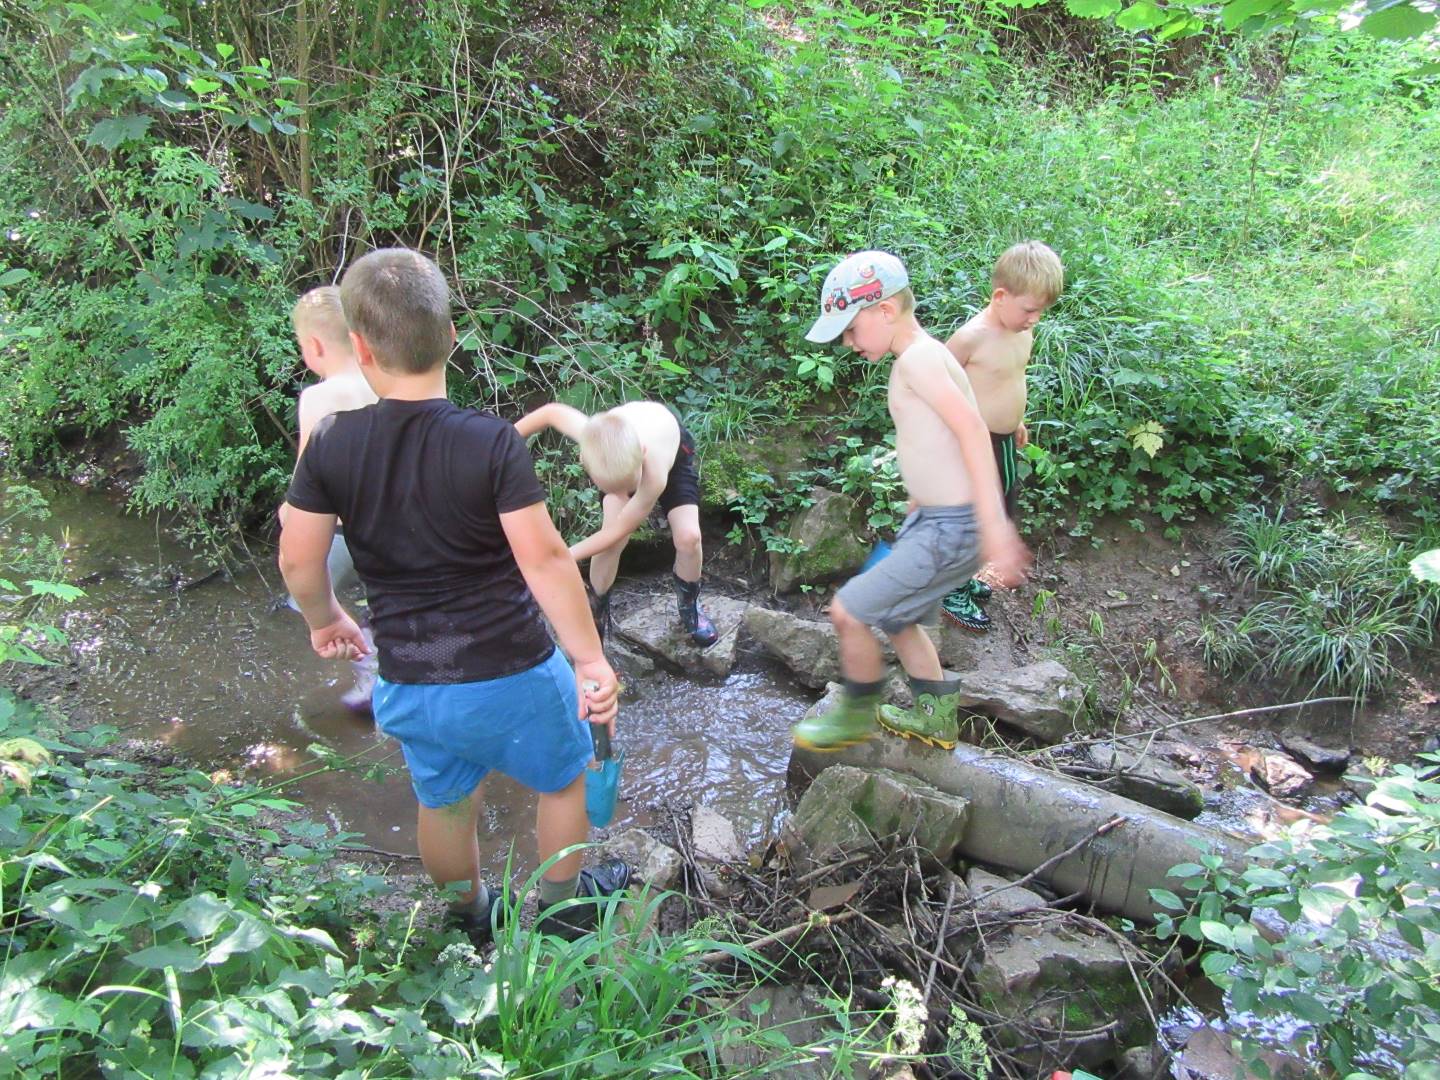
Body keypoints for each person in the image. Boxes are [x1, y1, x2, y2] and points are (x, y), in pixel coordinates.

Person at [279, 248, 630, 942]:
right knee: (564, 780)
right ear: (450, 337)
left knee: (443, 803)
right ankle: (561, 910)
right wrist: (590, 659)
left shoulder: (330, 442)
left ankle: (469, 919)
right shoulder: (490, 443)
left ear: (359, 347)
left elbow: (297, 554)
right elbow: (546, 561)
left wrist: (326, 618)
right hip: (513, 669)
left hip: (411, 679)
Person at [790, 251, 1030, 752]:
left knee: (848, 611)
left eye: (851, 330)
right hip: (939, 520)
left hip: (955, 526)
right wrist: (920, 498)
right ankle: (936, 720)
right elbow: (939, 440)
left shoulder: (919, 359)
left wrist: (997, 526)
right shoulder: (924, 355)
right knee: (899, 618)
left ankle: (854, 716)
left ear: (884, 310)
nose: (848, 342)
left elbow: (973, 431)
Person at [514, 400, 719, 647]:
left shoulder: (654, 475)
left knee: (689, 537)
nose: (625, 495)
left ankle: (689, 607)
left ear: (642, 452)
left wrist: (560, 558)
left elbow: (619, 530)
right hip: (619, 460)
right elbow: (550, 412)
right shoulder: (593, 436)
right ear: (584, 460)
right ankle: (596, 610)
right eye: (614, 489)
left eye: (627, 488)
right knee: (612, 546)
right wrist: (501, 444)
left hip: (670, 452)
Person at [938, 241, 1063, 632]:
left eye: (1041, 311)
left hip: (1004, 441)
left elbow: (1011, 377)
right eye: (1029, 309)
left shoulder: (1021, 330)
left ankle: (963, 577)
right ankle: (950, 588)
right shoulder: (971, 337)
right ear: (1000, 297)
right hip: (973, 444)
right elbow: (936, 382)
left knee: (1002, 508)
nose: (1035, 319)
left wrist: (1016, 419)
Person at [280, 286, 380, 711]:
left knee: (303, 597)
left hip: (340, 529)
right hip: (393, 527)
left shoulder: (319, 397)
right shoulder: (388, 381)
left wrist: (288, 513)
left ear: (315, 346)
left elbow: (309, 478)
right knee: (385, 601)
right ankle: (382, 664)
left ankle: (364, 665)